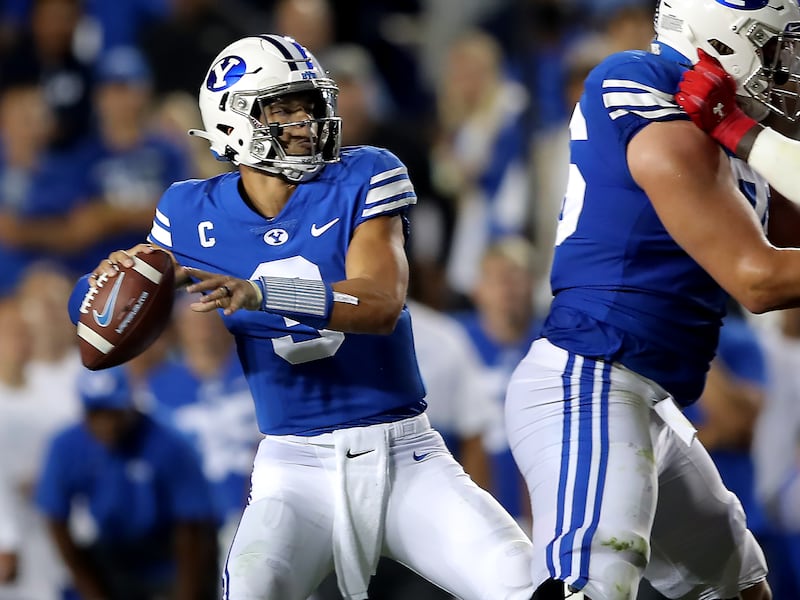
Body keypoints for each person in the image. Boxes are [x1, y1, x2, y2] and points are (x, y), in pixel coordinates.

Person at [80, 34, 534, 600]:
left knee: (523, 581)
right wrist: (102, 286)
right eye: (284, 107)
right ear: (234, 122)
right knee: (251, 588)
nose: (306, 120)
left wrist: (264, 293)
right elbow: (102, 326)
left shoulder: (364, 173)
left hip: (406, 455)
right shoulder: (189, 212)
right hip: (294, 467)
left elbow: (380, 303)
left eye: (309, 103)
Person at [503, 0, 800, 598]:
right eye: (773, 48)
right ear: (722, 40)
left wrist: (754, 137)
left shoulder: (725, 123)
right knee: (587, 589)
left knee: (738, 589)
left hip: (649, 401)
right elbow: (759, 277)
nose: (784, 68)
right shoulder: (641, 81)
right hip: (590, 383)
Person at [35, 365, 219, 600]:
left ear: (131, 404)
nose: (106, 424)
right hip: (111, 552)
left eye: (113, 412)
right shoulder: (65, 446)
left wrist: (186, 595)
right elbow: (55, 519)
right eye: (96, 413)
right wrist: (93, 594)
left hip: (168, 553)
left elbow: (192, 526)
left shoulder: (169, 442)